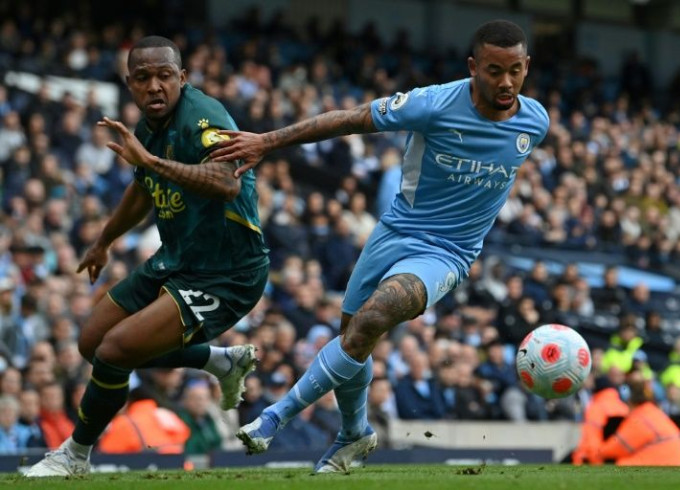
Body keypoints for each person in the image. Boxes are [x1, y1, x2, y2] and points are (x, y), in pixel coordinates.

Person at [211, 20, 548, 473]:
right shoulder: (432, 103)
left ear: (526, 67)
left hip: (448, 252)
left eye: (514, 70)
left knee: (372, 319)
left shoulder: (535, 122)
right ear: (473, 68)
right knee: (354, 337)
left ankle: (275, 416)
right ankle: (354, 436)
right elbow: (349, 120)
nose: (505, 82)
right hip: (393, 233)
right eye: (493, 70)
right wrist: (268, 142)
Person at [26, 35, 269, 477]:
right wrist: (104, 239)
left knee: (115, 351)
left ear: (182, 78)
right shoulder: (147, 130)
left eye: (163, 76)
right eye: (143, 78)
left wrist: (153, 163)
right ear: (129, 84)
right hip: (178, 258)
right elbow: (142, 189)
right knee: (90, 344)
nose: (154, 86)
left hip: (227, 272)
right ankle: (218, 360)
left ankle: (74, 457)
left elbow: (226, 181)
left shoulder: (203, 116)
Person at [595, 378, 680, 466]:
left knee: (620, 465)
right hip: (677, 462)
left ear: (630, 400)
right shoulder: (653, 412)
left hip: (666, 464)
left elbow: (617, 447)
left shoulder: (639, 418)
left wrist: (597, 453)